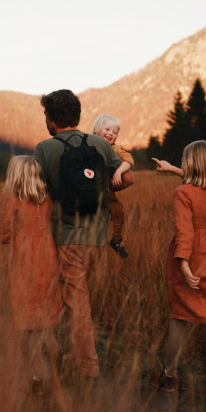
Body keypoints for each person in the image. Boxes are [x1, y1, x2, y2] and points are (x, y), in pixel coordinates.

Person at [33, 90, 134, 380]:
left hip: (66, 238)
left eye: (45, 117)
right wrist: (101, 189)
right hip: (97, 236)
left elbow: (35, 193)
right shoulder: (101, 144)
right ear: (77, 115)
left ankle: (88, 369)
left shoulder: (44, 149)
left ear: (52, 119)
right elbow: (128, 178)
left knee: (74, 306)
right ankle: (65, 357)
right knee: (74, 302)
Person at [152, 141, 206, 402]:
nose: (183, 162)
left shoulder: (182, 193)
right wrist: (172, 169)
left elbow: (185, 231)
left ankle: (169, 377)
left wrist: (183, 262)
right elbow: (196, 183)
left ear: (192, 163)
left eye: (184, 159)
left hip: (192, 256)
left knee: (179, 315)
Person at [0, 155, 61, 390]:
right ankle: (59, 357)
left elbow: (3, 235)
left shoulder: (14, 201)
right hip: (48, 258)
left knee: (27, 322)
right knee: (43, 317)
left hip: (25, 264)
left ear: (15, 176)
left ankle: (36, 376)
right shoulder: (47, 200)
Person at [92, 113, 134, 258]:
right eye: (108, 129)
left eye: (115, 132)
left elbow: (129, 158)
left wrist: (118, 172)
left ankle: (116, 241)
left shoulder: (114, 148)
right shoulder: (88, 143)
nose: (111, 134)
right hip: (91, 191)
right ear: (97, 129)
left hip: (107, 191)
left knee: (118, 211)